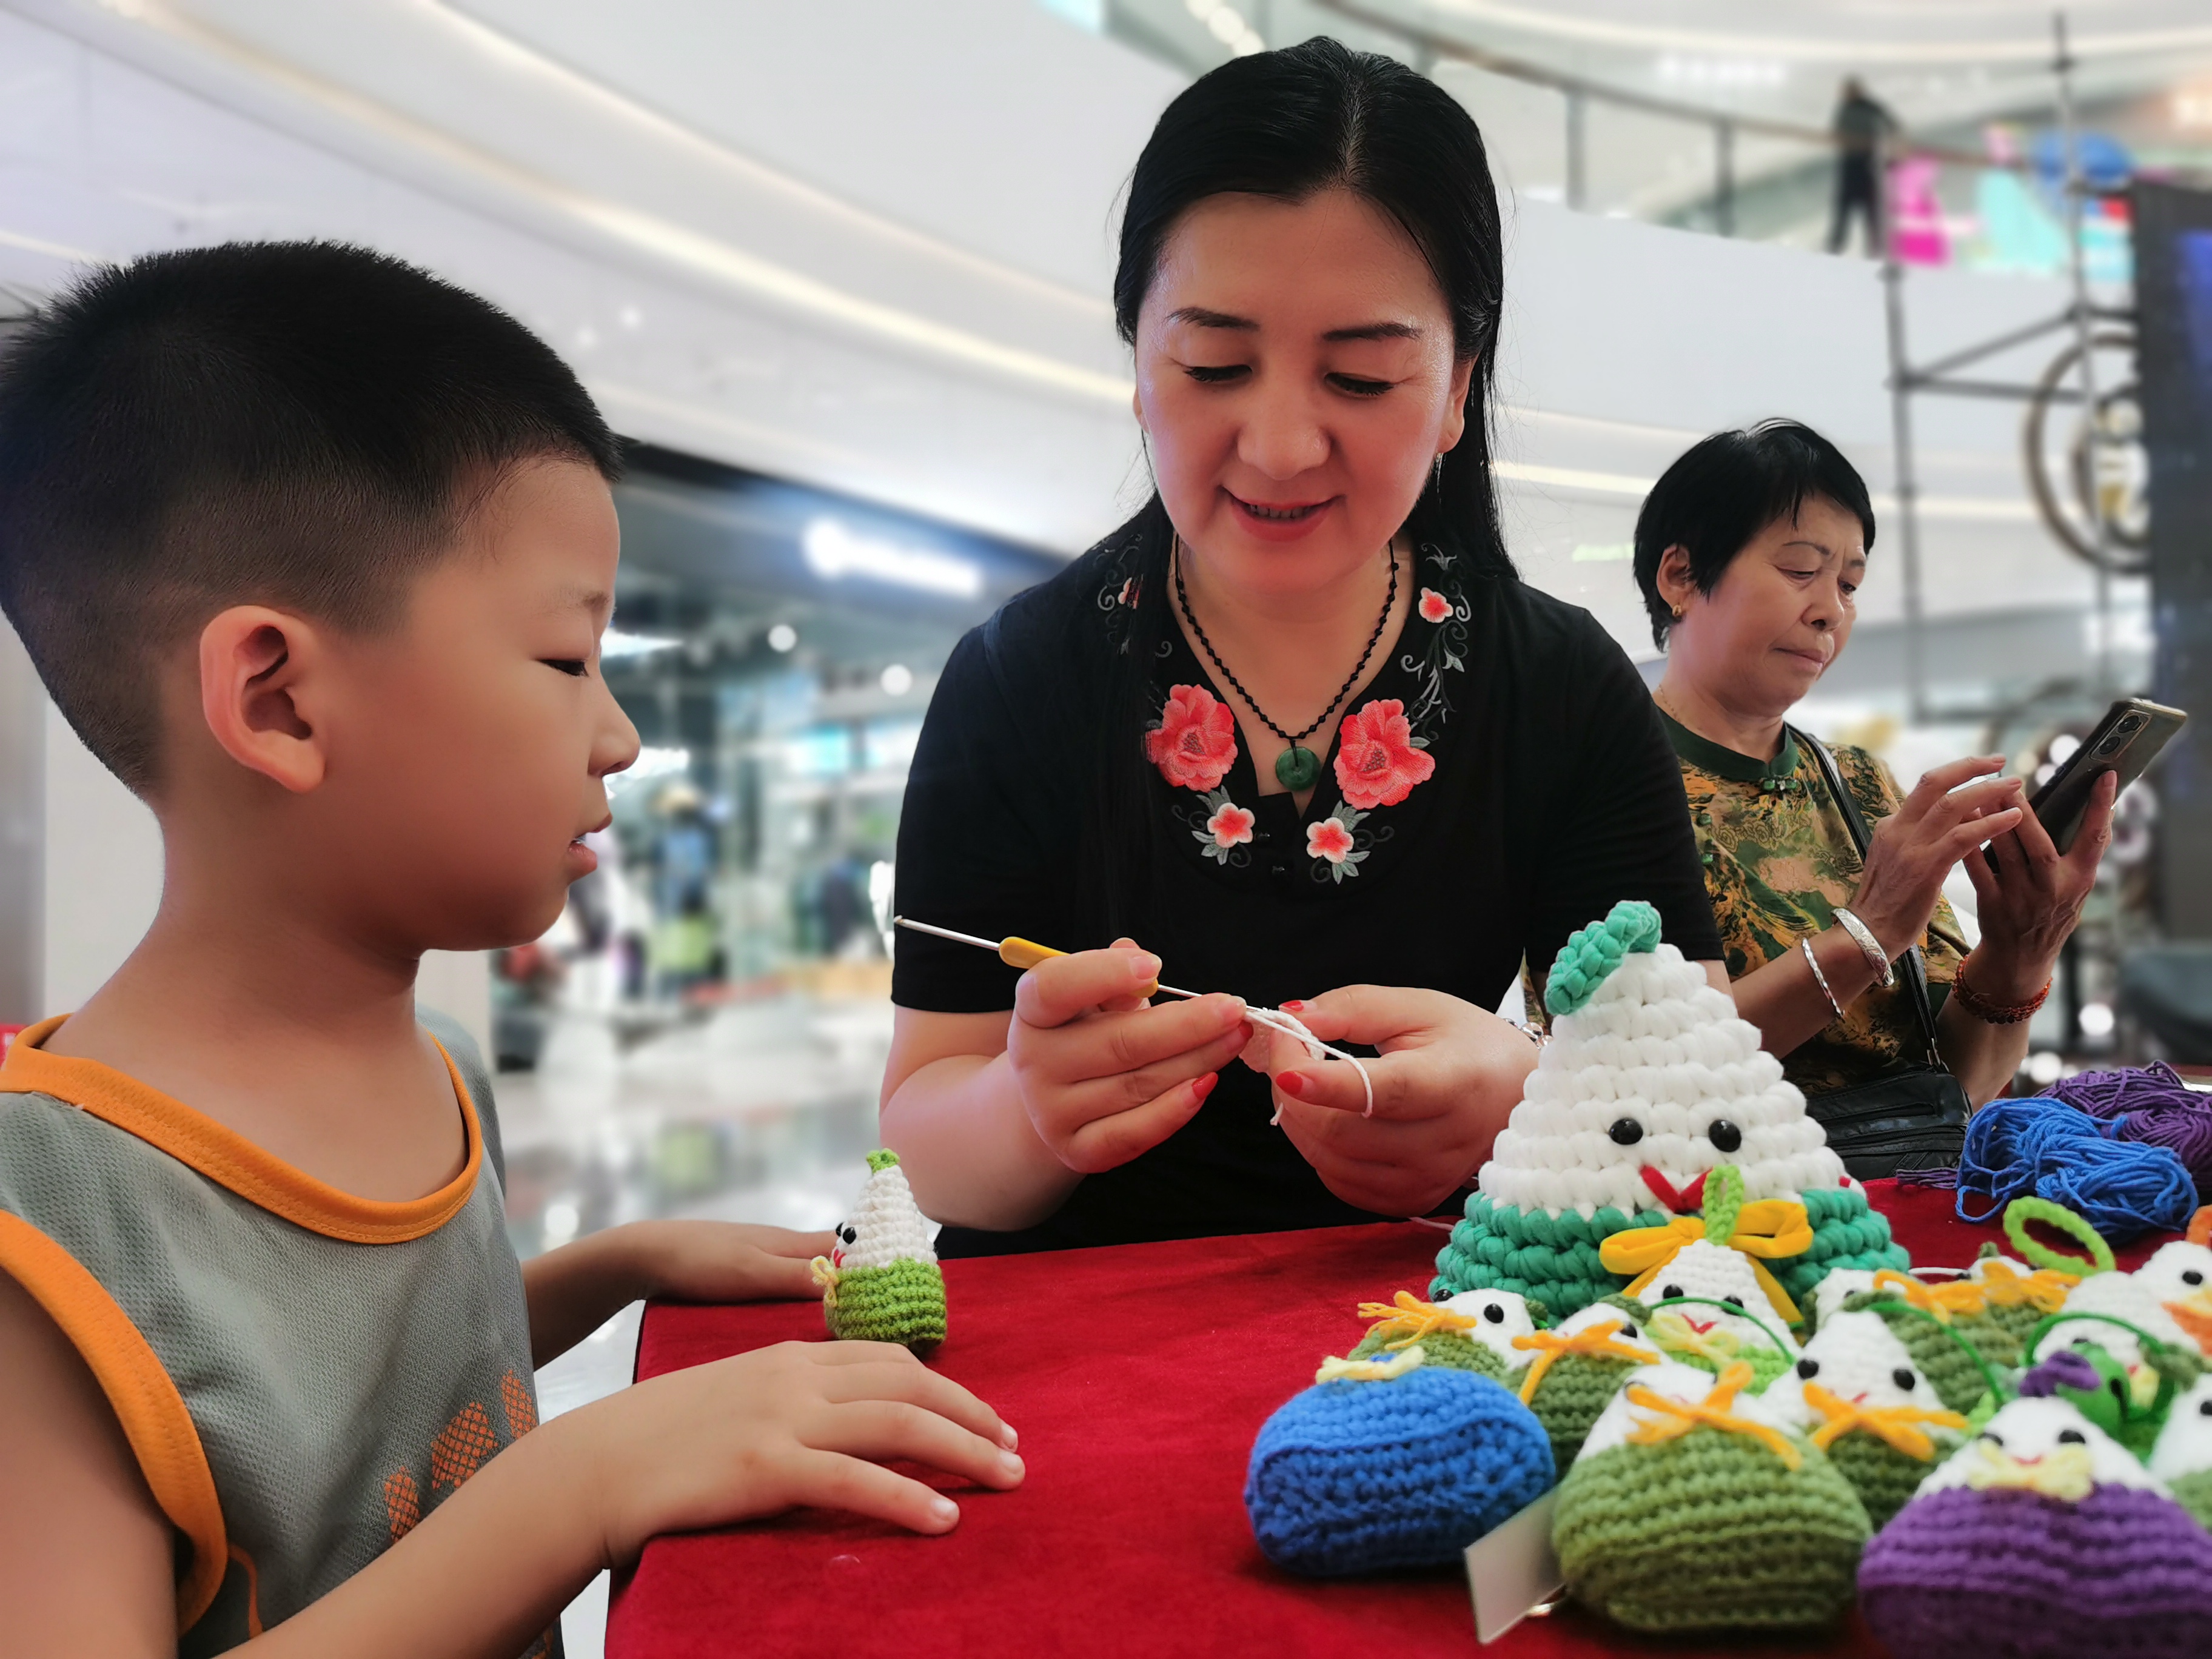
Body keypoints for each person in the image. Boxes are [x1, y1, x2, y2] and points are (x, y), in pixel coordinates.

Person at [0, 244, 1022, 1658]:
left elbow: (386, 1405)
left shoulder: (438, 1065)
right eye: (564, 659)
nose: (621, 735)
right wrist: (581, 1482)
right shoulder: (48, 1240)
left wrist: (619, 1262)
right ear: (279, 699)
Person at [880, 39, 1723, 1255]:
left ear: (1456, 388)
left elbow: (1698, 1108)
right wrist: (1026, 1110)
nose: (1279, 447)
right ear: (1138, 363)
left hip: (1448, 1333)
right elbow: (923, 1133)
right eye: (1214, 364)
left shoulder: (1560, 688)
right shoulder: (1019, 678)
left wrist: (1529, 1102)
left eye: (1362, 377)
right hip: (1078, 1340)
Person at [1634, 420, 2111, 1113]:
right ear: (1680, 575)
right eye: (1800, 570)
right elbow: (1634, 1076)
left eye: (1850, 584)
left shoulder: (1859, 783)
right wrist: (1869, 932)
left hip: (1897, 1175)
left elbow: (1960, 1084)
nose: (1830, 611)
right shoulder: (1610, 778)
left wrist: (2020, 951)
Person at [1828, 76, 1897, 255]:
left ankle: (1875, 250)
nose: (1847, 94)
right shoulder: (1844, 109)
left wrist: (1886, 146)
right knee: (1843, 210)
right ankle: (1835, 247)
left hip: (1867, 166)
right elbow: (1836, 132)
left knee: (1870, 212)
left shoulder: (1872, 108)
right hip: (1849, 165)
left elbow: (1892, 125)